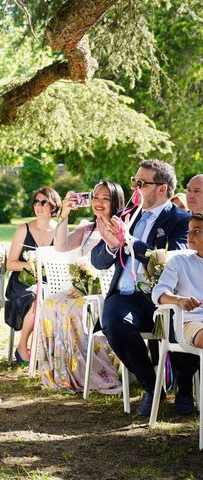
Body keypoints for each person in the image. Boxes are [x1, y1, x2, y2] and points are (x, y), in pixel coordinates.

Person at [91, 159, 198, 416]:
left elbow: (175, 256)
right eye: (133, 181)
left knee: (182, 321)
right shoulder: (125, 216)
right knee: (113, 320)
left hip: (162, 298)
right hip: (128, 297)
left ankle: (184, 391)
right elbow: (97, 260)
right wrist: (111, 245)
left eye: (142, 183)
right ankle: (153, 387)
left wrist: (131, 242)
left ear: (162, 188)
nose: (135, 188)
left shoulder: (181, 220)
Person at [38, 182, 125, 393]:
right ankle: (64, 371)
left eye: (105, 198)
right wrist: (64, 215)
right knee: (49, 304)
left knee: (73, 310)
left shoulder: (121, 226)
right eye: (96, 197)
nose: (99, 202)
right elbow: (61, 246)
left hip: (107, 292)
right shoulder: (88, 228)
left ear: (115, 201)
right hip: (81, 289)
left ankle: (94, 372)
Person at [5, 187, 60, 366]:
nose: (39, 206)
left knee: (53, 298)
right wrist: (33, 266)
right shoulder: (24, 229)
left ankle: (54, 351)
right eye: (36, 202)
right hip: (22, 284)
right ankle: (22, 347)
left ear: (53, 205)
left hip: (51, 283)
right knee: (37, 297)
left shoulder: (60, 231)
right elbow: (10, 263)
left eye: (44, 202)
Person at [153, 213, 203, 349]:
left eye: (197, 231)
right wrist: (180, 300)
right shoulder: (180, 262)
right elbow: (158, 292)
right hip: (190, 324)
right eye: (189, 230)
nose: (189, 235)